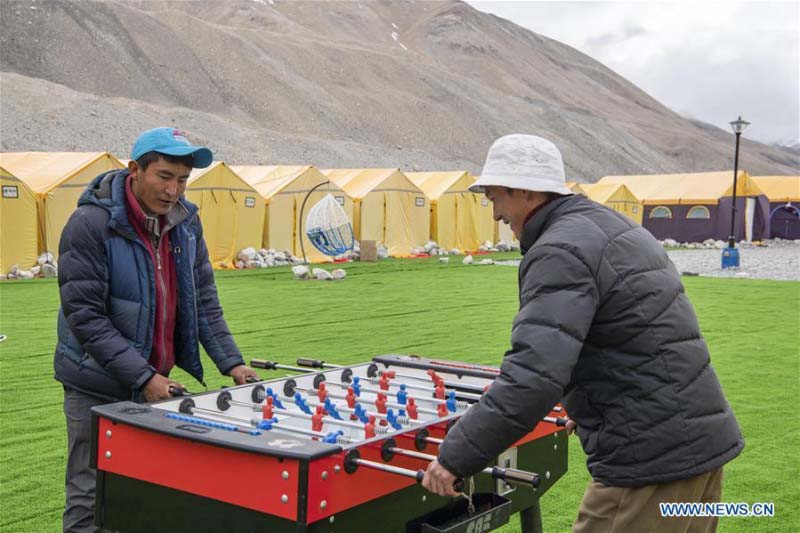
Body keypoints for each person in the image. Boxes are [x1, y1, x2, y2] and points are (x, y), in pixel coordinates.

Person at [422, 134, 743, 532]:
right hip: (698, 451)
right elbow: (631, 332)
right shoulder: (608, 224)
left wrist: (455, 456)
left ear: (522, 189)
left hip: (650, 466)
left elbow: (532, 377)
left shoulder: (559, 249)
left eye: (493, 197)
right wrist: (588, 398)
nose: (494, 214)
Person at [54, 127, 259, 532]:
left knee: (146, 494)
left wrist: (232, 363)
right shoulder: (89, 224)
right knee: (90, 497)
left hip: (152, 382)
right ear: (134, 170)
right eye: (164, 176)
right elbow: (87, 317)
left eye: (182, 180)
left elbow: (202, 301)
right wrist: (145, 376)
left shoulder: (185, 223)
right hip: (95, 384)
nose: (173, 190)